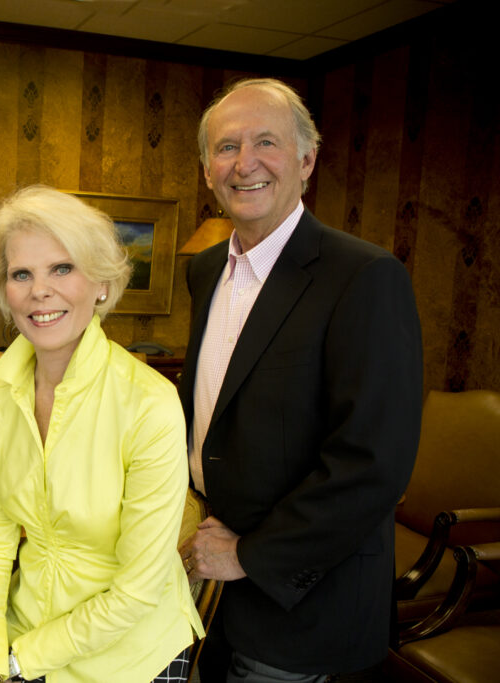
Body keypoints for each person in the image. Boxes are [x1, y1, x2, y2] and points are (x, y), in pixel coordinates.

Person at [178, 78, 423, 681]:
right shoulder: (207, 269)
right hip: (211, 585)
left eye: (267, 142)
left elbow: (372, 464)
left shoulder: (365, 276)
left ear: (307, 160)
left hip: (305, 601)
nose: (245, 163)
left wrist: (248, 555)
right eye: (226, 147)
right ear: (208, 170)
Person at [0, 185, 204, 683]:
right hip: (31, 623)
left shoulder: (150, 404)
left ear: (101, 283)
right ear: (4, 292)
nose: (41, 290)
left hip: (132, 649)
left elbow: (135, 593)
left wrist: (16, 661)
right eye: (22, 274)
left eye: (62, 268)